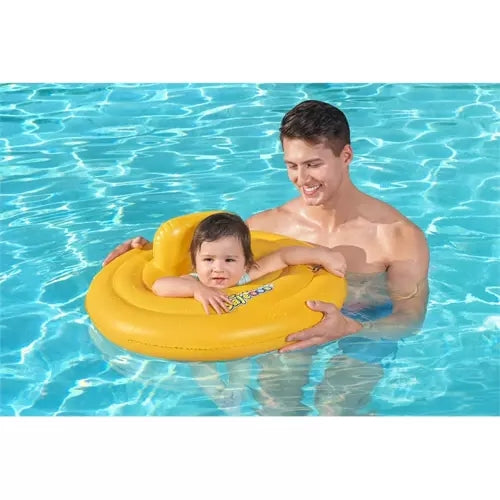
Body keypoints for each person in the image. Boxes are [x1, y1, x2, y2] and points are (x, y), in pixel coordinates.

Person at [102, 100, 430, 415]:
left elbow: (410, 319)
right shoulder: (265, 228)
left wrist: (351, 327)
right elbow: (210, 268)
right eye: (292, 166)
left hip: (365, 326)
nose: (302, 179)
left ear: (346, 155)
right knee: (275, 407)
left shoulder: (397, 237)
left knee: (336, 408)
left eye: (313, 164)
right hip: (287, 324)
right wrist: (144, 254)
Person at [152, 211, 346, 314]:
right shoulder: (194, 280)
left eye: (229, 260)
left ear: (246, 262)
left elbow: (283, 256)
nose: (218, 268)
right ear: (195, 263)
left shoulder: (246, 275)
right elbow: (159, 286)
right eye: (208, 260)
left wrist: (322, 255)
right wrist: (197, 290)